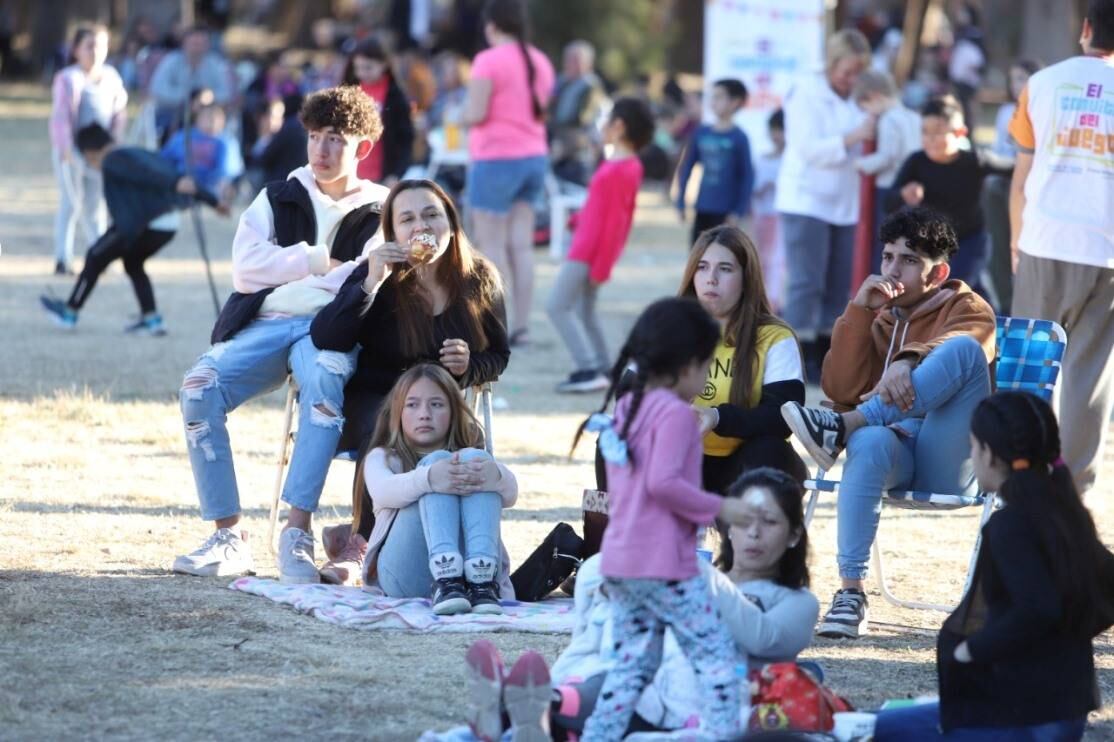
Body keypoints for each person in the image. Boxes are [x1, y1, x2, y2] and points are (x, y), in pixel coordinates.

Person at [171, 86, 388, 583]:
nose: (322, 150)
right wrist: (315, 260)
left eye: (336, 138)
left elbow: (365, 277)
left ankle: (297, 532)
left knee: (324, 389)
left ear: (363, 147)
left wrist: (297, 270)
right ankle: (230, 536)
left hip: (331, 332)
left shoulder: (382, 208)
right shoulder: (278, 195)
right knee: (198, 388)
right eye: (314, 137)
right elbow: (245, 271)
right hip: (266, 323)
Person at [456, 467, 820, 740]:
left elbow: (765, 639)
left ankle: (527, 707)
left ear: (793, 536)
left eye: (769, 522)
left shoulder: (796, 602)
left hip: (685, 700)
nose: (753, 533)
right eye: (743, 521)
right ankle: (519, 712)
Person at [781, 206, 996, 640]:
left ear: (938, 273)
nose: (893, 269)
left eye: (909, 260)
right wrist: (859, 311)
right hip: (896, 454)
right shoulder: (881, 316)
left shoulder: (967, 306)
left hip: (948, 459)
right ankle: (850, 592)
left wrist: (908, 357)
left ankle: (845, 427)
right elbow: (840, 387)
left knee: (964, 355)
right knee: (870, 442)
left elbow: (970, 343)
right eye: (888, 257)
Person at [569, 297, 762, 740]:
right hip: (662, 567)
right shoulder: (675, 415)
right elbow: (663, 484)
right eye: (706, 366)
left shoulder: (627, 408)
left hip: (620, 562)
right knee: (717, 658)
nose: (707, 377)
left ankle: (599, 735)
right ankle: (721, 734)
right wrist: (722, 507)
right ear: (687, 365)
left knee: (631, 669)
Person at [875, 392, 1114, 740]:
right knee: (887, 722)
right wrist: (1069, 634)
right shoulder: (1067, 514)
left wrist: (971, 649)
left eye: (973, 447)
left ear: (988, 452)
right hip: (1067, 709)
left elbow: (1037, 608)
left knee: (878, 732)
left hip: (1022, 716)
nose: (972, 455)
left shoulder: (1011, 525)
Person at [310, 178, 509, 584]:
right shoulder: (380, 275)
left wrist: (468, 367)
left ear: (450, 224)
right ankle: (360, 543)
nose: (421, 226)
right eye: (407, 219)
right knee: (384, 430)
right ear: (393, 232)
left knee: (471, 448)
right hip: (377, 396)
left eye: (431, 214)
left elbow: (499, 356)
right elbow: (326, 337)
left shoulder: (480, 279)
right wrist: (369, 282)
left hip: (442, 402)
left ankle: (472, 553)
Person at [1008, 0, 1114, 500]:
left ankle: (1018, 472)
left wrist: (1015, 237)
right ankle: (1073, 491)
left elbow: (1021, 174)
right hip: (1107, 247)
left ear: (1085, 29)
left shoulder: (1043, 84)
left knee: (1030, 367)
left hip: (1045, 239)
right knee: (1088, 378)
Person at [356, 364, 518, 614]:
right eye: (412, 405)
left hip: (470, 582)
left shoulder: (468, 459)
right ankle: (446, 577)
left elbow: (511, 495)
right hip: (406, 574)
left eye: (437, 404)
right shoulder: (383, 458)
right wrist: (430, 477)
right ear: (397, 412)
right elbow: (383, 491)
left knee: (477, 460)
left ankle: (482, 578)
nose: (424, 414)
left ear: (454, 412)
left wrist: (494, 474)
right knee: (435, 464)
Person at [39, 123, 228, 334]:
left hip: (144, 222)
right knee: (133, 263)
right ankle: (152, 319)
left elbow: (148, 174)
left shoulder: (114, 159)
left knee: (95, 256)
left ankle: (69, 312)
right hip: (167, 224)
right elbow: (168, 172)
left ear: (90, 153)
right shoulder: (136, 152)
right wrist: (212, 200)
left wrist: (175, 183)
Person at [680, 226, 809, 502]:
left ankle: (745, 541)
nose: (711, 279)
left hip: (744, 467)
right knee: (613, 439)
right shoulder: (667, 326)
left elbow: (783, 418)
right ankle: (621, 540)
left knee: (771, 449)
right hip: (678, 462)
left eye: (725, 269)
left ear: (746, 278)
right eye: (702, 267)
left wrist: (717, 417)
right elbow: (628, 395)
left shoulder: (775, 337)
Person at [777, 29, 874, 384]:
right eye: (846, 72)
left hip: (843, 201)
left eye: (857, 73)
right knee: (806, 282)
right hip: (806, 199)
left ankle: (826, 353)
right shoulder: (805, 91)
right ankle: (794, 356)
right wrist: (853, 137)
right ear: (831, 64)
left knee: (837, 283)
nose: (850, 80)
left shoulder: (859, 96)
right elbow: (807, 148)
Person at [462, 0, 555, 348]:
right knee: (522, 245)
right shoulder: (541, 61)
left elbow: (476, 112)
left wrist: (457, 114)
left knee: (491, 245)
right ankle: (522, 326)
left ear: (492, 25)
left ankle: (493, 324)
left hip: (496, 158)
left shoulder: (488, 61)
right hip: (533, 157)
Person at [546, 97, 654, 393]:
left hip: (587, 253)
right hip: (583, 245)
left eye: (607, 120)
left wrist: (602, 266)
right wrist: (577, 219)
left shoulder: (626, 168)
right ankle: (607, 368)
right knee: (584, 310)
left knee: (556, 306)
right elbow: (600, 207)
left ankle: (588, 368)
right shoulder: (616, 163)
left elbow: (617, 223)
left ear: (619, 127)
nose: (602, 125)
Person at [886, 96, 1008, 296]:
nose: (930, 139)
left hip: (971, 240)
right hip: (934, 247)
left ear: (960, 133)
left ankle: (990, 320)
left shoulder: (974, 160)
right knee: (969, 291)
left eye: (938, 132)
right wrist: (903, 195)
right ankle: (992, 316)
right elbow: (887, 202)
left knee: (952, 289)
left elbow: (1013, 168)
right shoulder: (916, 162)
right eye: (925, 132)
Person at [49, 24, 128, 275]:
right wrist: (65, 149)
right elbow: (60, 117)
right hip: (72, 151)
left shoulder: (112, 78)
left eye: (101, 46)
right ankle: (63, 258)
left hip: (100, 153)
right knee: (71, 204)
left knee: (96, 205)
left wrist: (112, 145)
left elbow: (119, 113)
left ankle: (99, 255)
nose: (95, 52)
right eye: (89, 46)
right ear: (76, 50)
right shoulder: (68, 78)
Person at [981, 58, 1041, 312]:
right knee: (1000, 248)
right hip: (1004, 181)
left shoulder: (1042, 108)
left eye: (1023, 78)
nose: (1018, 84)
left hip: (1031, 185)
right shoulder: (1006, 112)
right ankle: (1005, 303)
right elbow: (998, 151)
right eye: (1014, 79)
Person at [851, 69, 922, 272]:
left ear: (874, 97)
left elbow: (887, 156)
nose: (868, 114)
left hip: (888, 189)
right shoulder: (913, 116)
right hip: (909, 190)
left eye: (866, 107)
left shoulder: (889, 120)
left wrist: (861, 164)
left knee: (884, 246)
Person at [674, 78, 755, 246]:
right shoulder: (701, 133)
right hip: (702, 207)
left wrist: (738, 211)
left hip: (726, 212)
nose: (713, 102)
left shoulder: (740, 137)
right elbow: (687, 167)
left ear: (735, 102)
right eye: (712, 97)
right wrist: (681, 202)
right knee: (697, 255)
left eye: (719, 97)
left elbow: (746, 176)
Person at [343, 37, 416, 187]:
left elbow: (406, 139)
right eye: (358, 68)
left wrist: (396, 173)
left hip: (383, 175)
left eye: (368, 67)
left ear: (384, 64)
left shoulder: (395, 97)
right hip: (352, 172)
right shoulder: (349, 91)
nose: (362, 73)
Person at [148, 26, 232, 141]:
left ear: (207, 45)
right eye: (194, 43)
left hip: (207, 118)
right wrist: (188, 99)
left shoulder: (215, 64)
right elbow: (157, 89)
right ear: (184, 44)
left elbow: (225, 93)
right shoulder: (171, 61)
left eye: (201, 43)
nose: (197, 47)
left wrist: (209, 97)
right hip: (173, 116)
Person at [548, 40, 610, 186]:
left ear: (588, 64)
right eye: (568, 60)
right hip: (557, 148)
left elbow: (586, 120)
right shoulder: (561, 83)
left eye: (576, 60)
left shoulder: (591, 87)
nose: (571, 64)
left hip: (578, 154)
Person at [160, 100, 235, 198]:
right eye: (208, 117)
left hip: (209, 190)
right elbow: (164, 159)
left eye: (217, 118)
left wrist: (201, 186)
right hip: (179, 185)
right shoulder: (182, 137)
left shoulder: (226, 143)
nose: (212, 121)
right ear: (197, 119)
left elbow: (223, 171)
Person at [751, 109, 786, 312]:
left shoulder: (793, 161)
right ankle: (761, 298)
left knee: (778, 259)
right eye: (773, 130)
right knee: (762, 257)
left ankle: (774, 300)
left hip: (781, 215)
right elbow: (753, 187)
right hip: (763, 214)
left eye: (780, 130)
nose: (776, 135)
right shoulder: (763, 159)